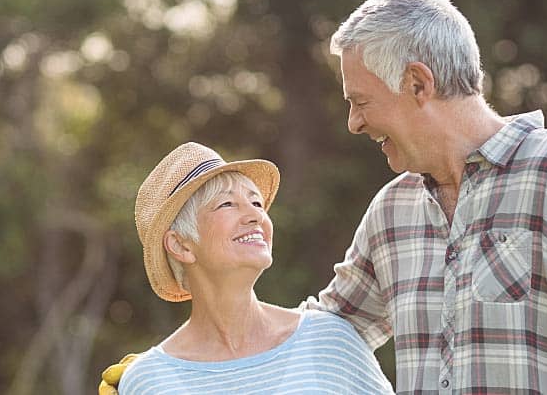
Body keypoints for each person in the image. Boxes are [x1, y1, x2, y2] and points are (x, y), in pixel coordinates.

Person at [104, 0, 547, 394]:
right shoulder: (394, 212)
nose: (354, 123)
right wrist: (179, 371)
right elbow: (327, 329)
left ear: (418, 83)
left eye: (360, 101)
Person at [113, 142, 393, 395]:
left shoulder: (328, 339)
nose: (256, 215)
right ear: (181, 245)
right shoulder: (148, 381)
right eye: (227, 204)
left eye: (256, 202)